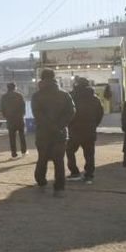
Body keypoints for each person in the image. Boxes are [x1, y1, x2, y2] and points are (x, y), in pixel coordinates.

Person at [31, 68, 75, 197]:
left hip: (43, 132)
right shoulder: (64, 94)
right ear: (54, 78)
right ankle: (59, 188)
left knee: (42, 158)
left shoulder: (36, 96)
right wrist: (59, 125)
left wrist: (49, 125)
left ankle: (41, 182)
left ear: (41, 78)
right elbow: (71, 111)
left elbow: (37, 114)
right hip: (60, 133)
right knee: (59, 161)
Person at [66, 77, 104, 184]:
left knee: (70, 151)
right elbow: (100, 114)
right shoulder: (95, 98)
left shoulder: (71, 96)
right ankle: (89, 176)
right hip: (89, 130)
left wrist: (69, 124)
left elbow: (67, 112)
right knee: (89, 154)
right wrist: (94, 124)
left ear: (76, 84)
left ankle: (75, 173)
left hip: (74, 130)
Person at [0, 82, 27, 158]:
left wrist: (6, 116)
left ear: (7, 88)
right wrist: (22, 114)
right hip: (19, 118)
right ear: (15, 87)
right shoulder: (19, 95)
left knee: (12, 137)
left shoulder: (3, 97)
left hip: (10, 119)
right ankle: (24, 151)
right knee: (22, 136)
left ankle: (14, 154)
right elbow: (23, 106)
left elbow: (2, 108)